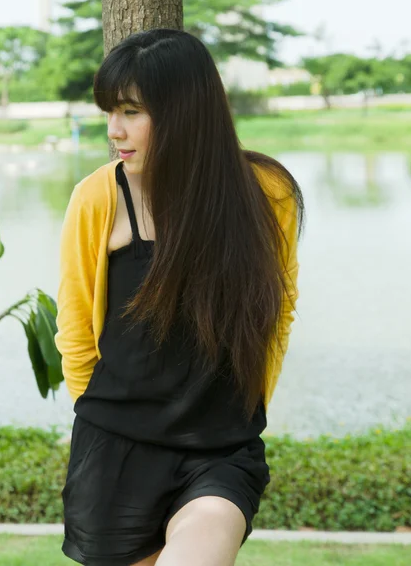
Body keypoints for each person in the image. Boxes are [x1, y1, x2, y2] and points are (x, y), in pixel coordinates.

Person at [55, 28, 305, 566]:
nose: (113, 130)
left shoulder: (267, 192)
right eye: (109, 112)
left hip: (218, 452)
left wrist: (247, 402)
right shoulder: (99, 196)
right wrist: (94, 413)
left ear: (185, 113)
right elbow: (75, 326)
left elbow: (277, 309)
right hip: (114, 453)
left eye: (131, 112)